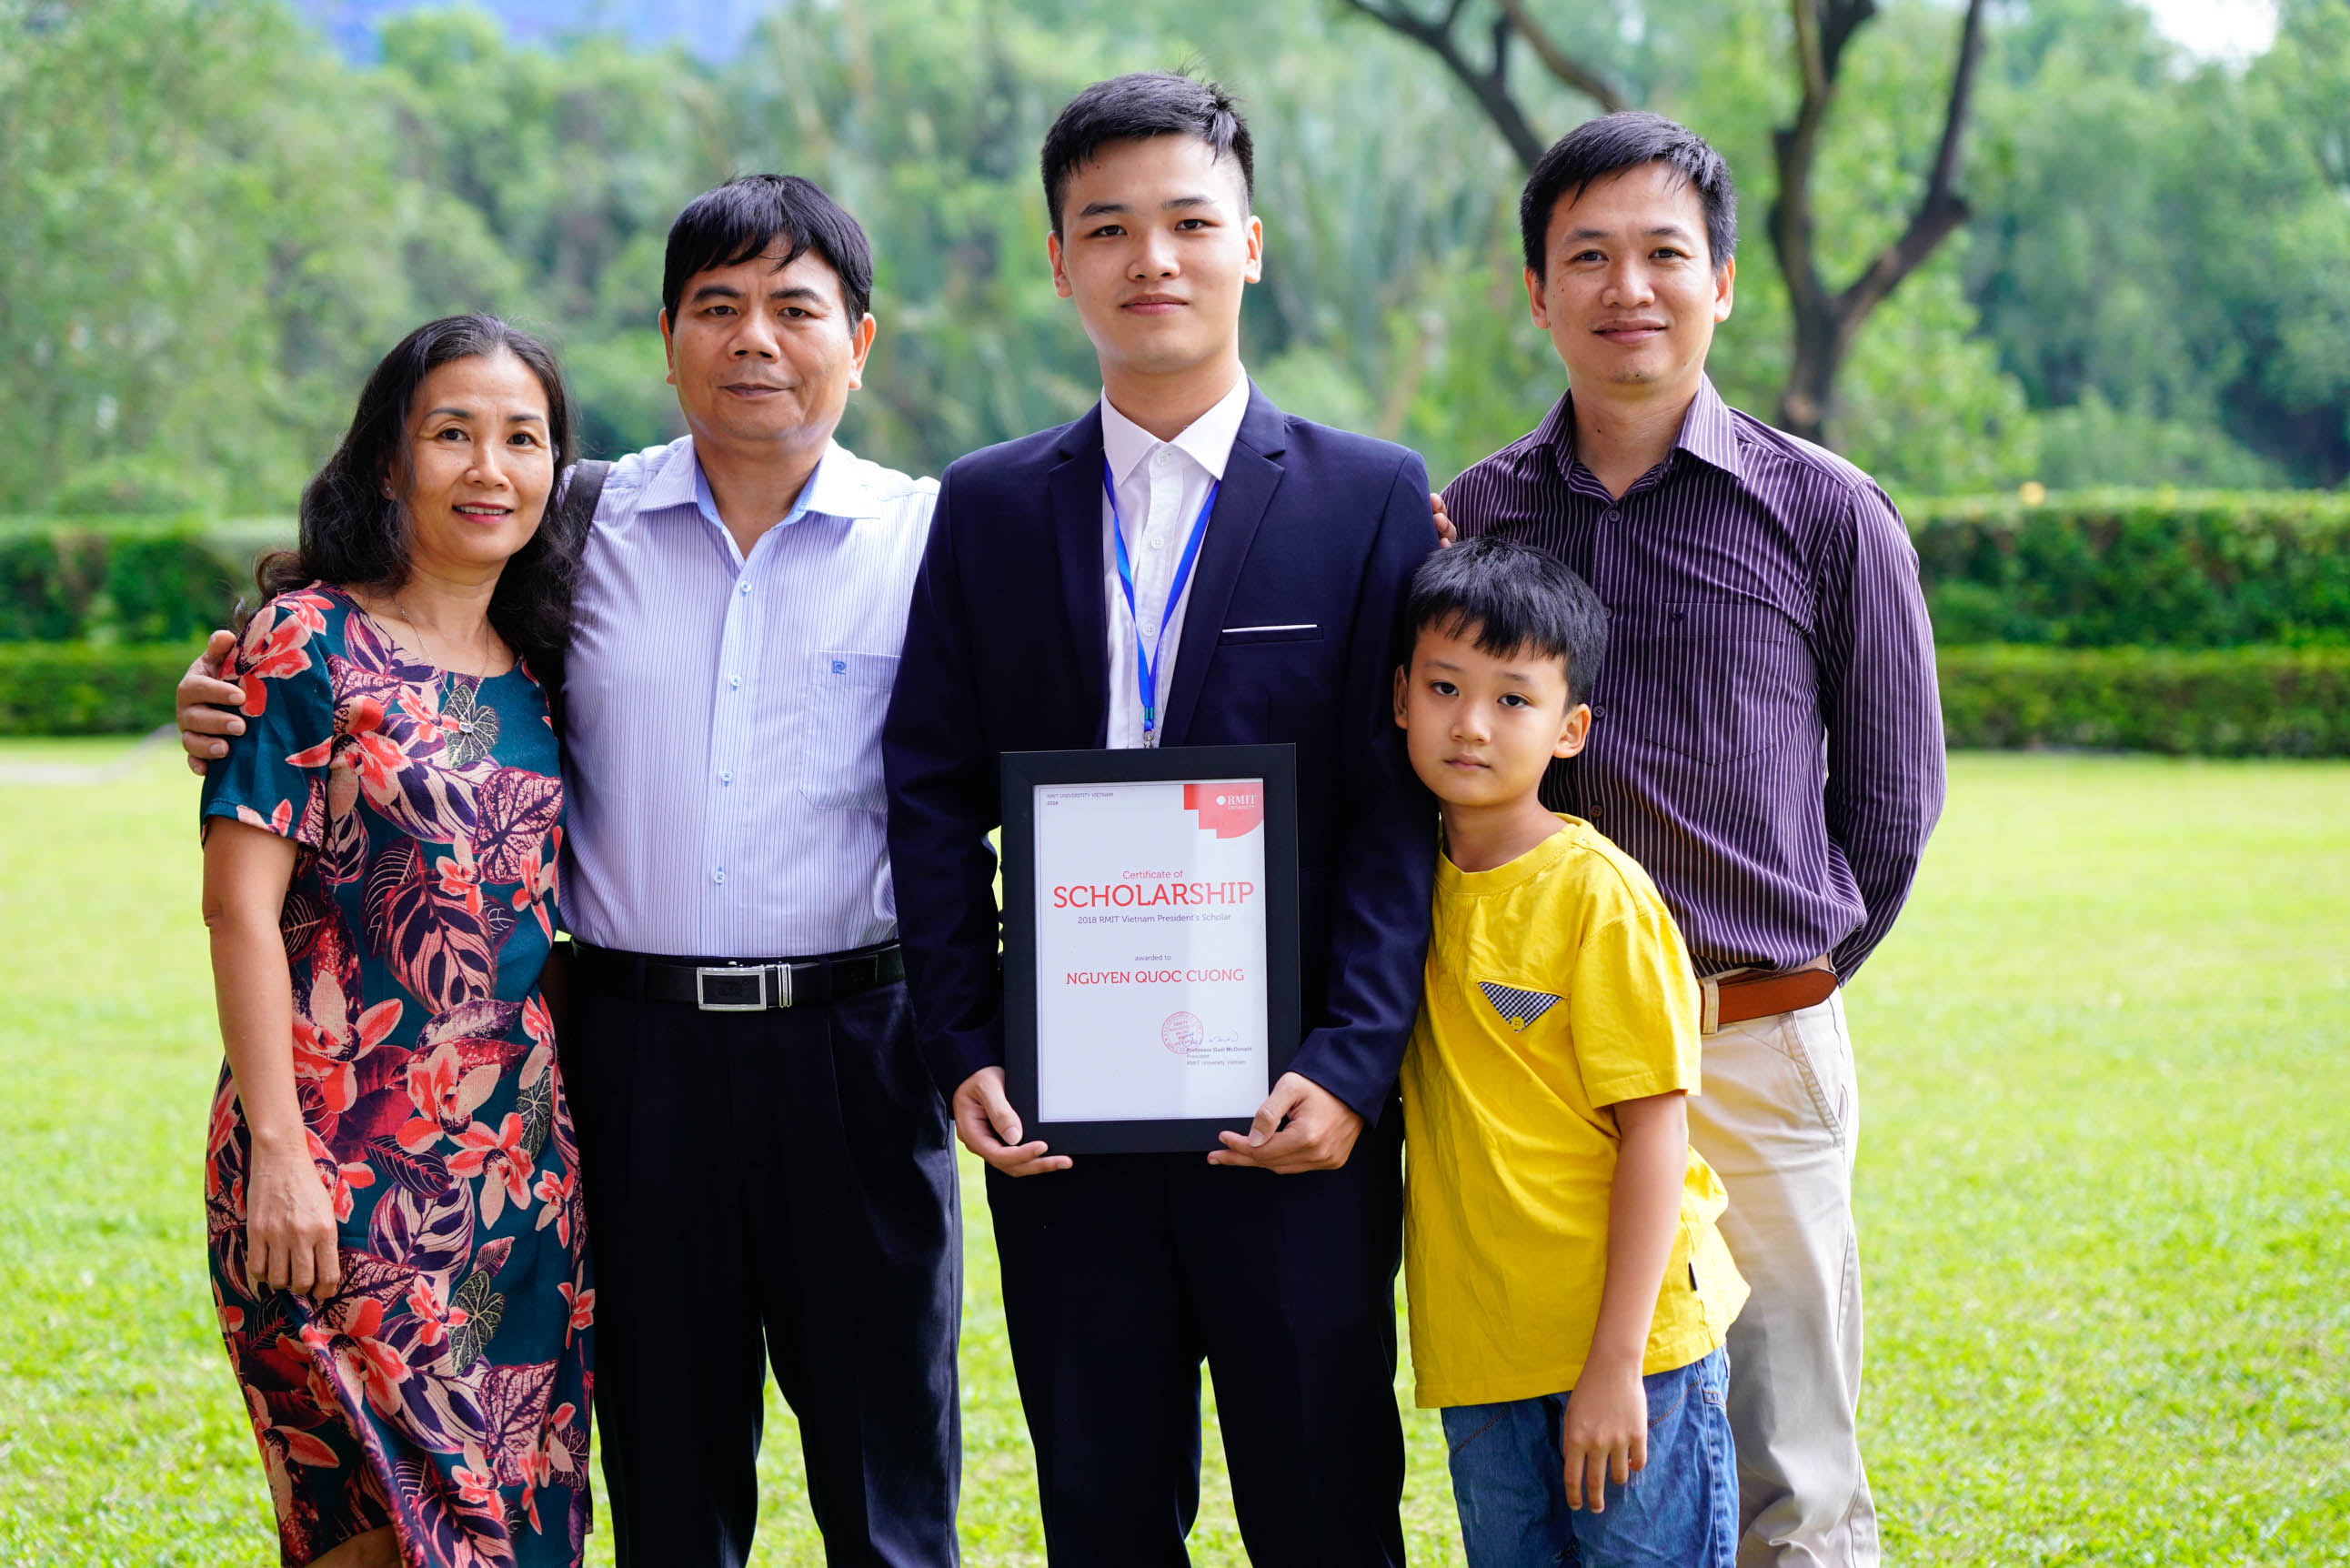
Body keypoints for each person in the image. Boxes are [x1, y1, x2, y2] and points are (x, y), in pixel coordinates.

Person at [179, 176, 959, 1568]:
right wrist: (223, 690)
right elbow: (379, 643)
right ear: (666, 340)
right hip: (628, 1064)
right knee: (666, 1483)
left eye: (794, 308)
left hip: (854, 1053)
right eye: (717, 306)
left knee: (886, 1486)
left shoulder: (934, 539)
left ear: (859, 342)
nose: (755, 339)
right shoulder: (581, 526)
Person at [883, 72, 1436, 1566]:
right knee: (1103, 1513)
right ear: (1058, 259)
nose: (1153, 259)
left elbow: (1397, 813)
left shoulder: (1368, 499)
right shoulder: (987, 508)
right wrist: (967, 1044)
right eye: (1108, 228)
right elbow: (929, 790)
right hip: (1064, 1122)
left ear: (1248, 244)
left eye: (1189, 222)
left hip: (1292, 1115)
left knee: (1324, 1509)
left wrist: (1350, 1065)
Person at [1441, 112, 1945, 1567]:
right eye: (1587, 256)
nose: (1629, 289)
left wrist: (1758, 991)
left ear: (1721, 280)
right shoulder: (1476, 517)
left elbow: (1892, 813)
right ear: (1536, 291)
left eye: (1664, 253)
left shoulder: (1827, 512)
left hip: (1750, 1045)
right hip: (1540, 1073)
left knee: (1791, 1469)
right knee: (1590, 1461)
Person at [198, 314, 593, 1568]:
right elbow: (238, 908)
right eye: (452, 434)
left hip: (519, 1175)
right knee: (379, 1524)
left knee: (510, 1525)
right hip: (335, 1158)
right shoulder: (307, 639)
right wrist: (280, 1155)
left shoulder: (546, 664)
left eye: (522, 438)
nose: (490, 468)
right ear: (387, 459)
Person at [1391, 536, 1748, 1567]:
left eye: (1513, 699)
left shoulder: (1598, 894)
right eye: (1445, 687)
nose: (1471, 723)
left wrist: (1616, 1364)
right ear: (1401, 697)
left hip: (1632, 1350)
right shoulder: (1396, 886)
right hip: (1482, 1351)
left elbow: (1655, 1134)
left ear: (1569, 729)